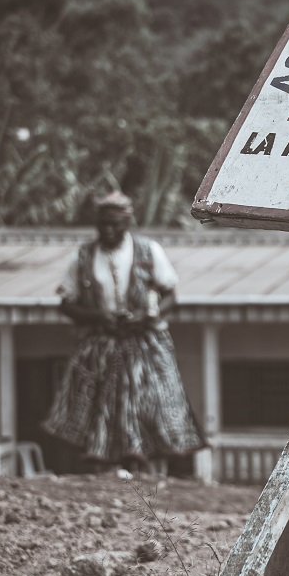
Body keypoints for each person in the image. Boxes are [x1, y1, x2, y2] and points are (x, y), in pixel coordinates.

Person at [44, 191, 203, 474]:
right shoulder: (83, 257)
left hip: (145, 341)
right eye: (103, 224)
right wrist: (98, 316)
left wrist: (146, 315)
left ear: (127, 223)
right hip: (101, 342)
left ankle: (147, 465)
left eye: (115, 224)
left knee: (150, 399)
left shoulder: (149, 251)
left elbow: (171, 296)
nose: (109, 230)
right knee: (98, 401)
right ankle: (104, 465)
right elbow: (67, 304)